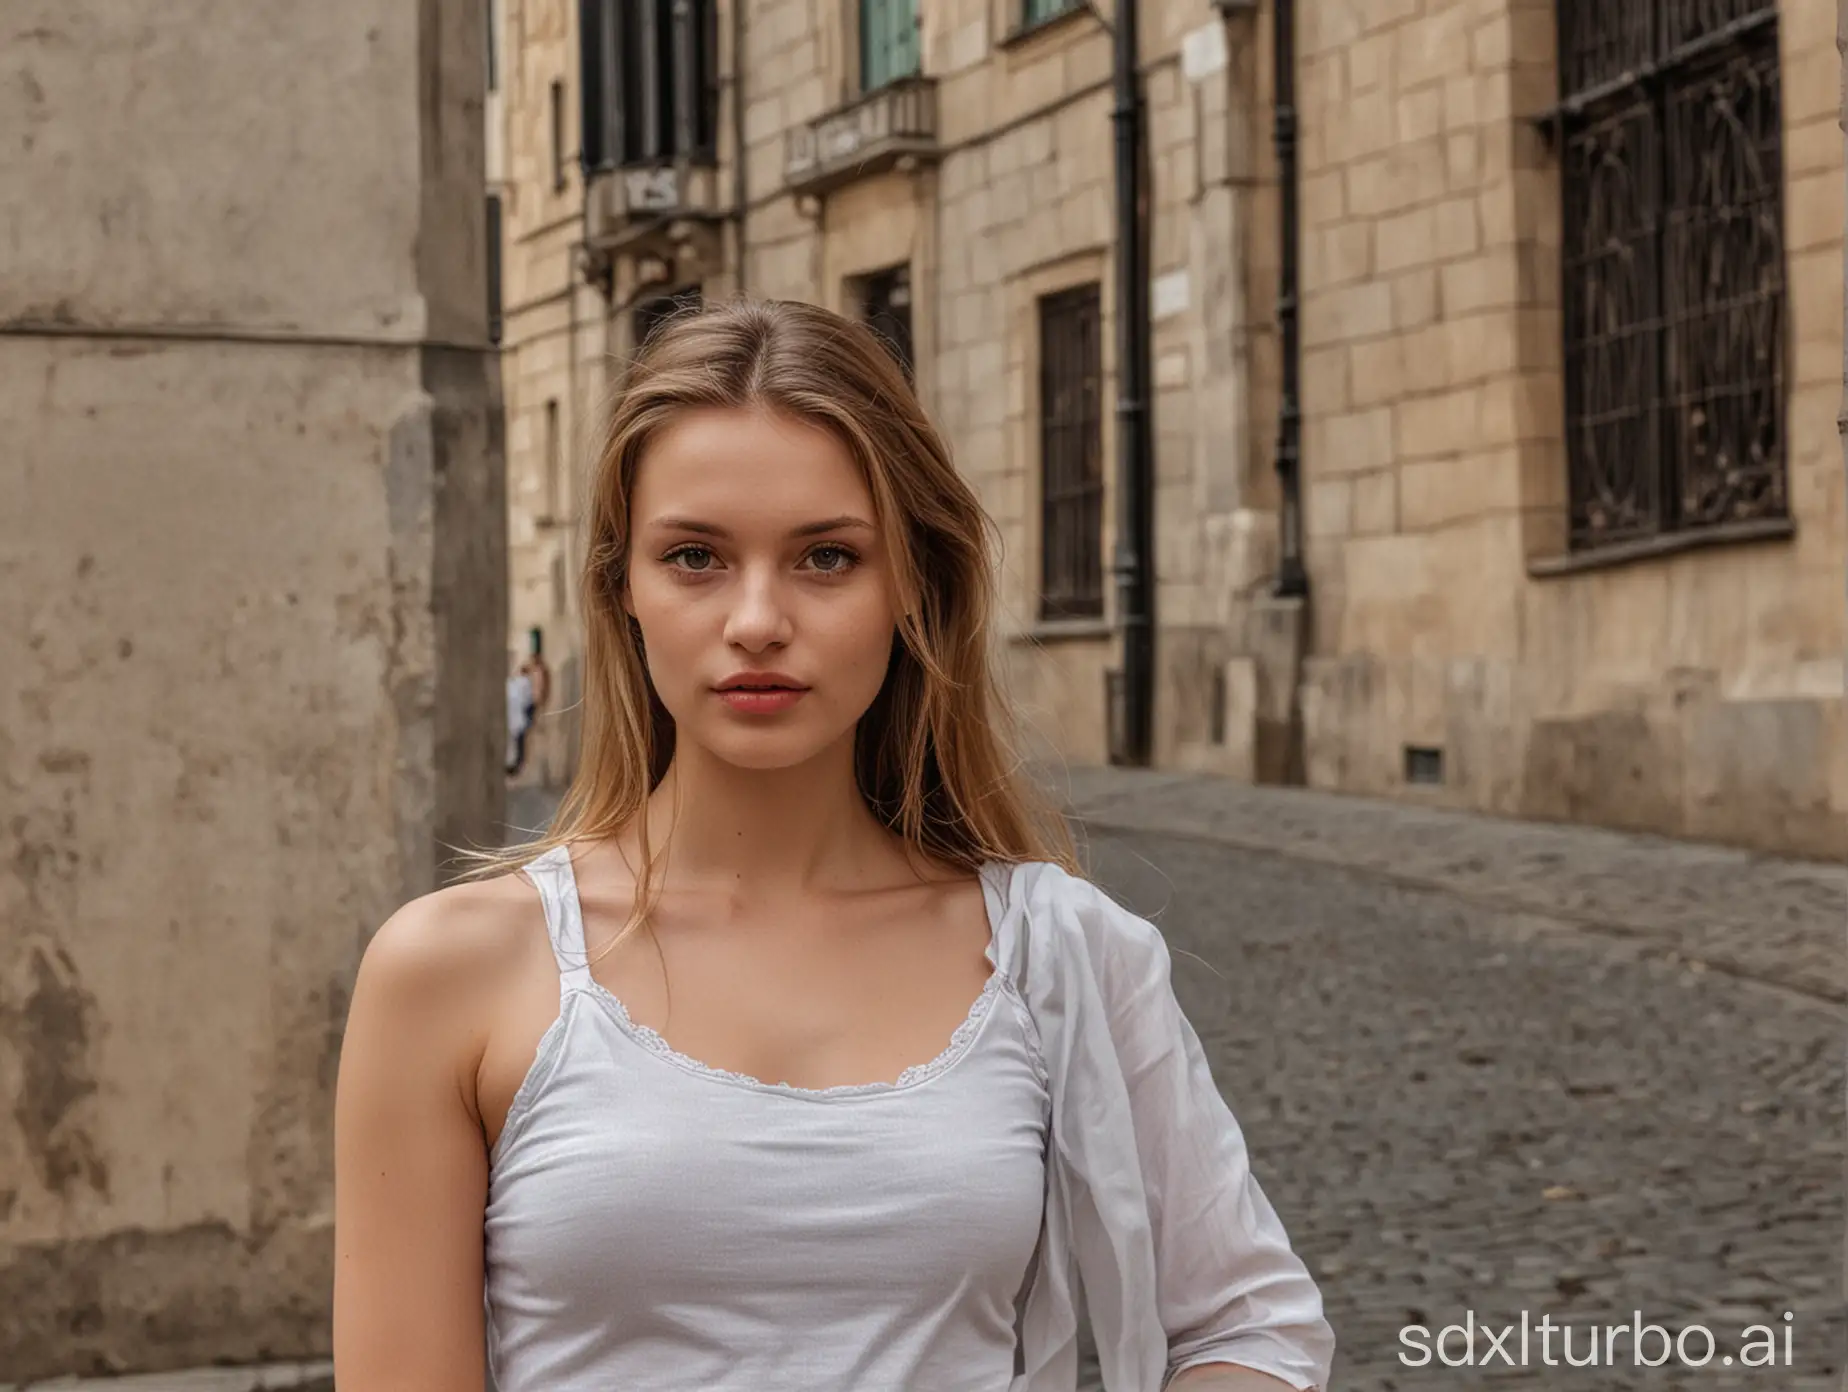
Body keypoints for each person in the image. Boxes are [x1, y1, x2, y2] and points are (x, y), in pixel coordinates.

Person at [333, 298, 1334, 1391]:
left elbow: (1253, 1326)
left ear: (910, 583)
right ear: (624, 586)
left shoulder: (1061, 954)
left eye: (825, 558)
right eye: (697, 557)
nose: (758, 618)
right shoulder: (452, 971)